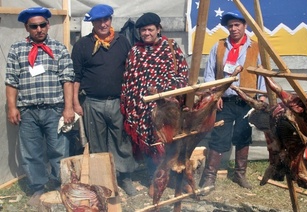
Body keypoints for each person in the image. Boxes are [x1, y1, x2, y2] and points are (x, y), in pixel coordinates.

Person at [5, 7, 75, 206]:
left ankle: (61, 187)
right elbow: (11, 81)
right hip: (27, 111)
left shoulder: (59, 48)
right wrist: (12, 107)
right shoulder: (17, 49)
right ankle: (37, 188)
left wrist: (68, 107)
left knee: (59, 151)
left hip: (54, 109)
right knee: (31, 152)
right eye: (33, 26)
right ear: (27, 28)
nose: (39, 29)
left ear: (48, 25)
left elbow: (67, 79)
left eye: (42, 25)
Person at [71, 4, 138, 196]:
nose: (103, 23)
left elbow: (131, 71)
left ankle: (125, 178)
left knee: (121, 141)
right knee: (97, 143)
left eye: (106, 19)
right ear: (92, 23)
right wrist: (76, 103)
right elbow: (75, 76)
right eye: (98, 20)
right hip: (92, 102)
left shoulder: (122, 42)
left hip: (118, 101)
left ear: (111, 20)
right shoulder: (82, 45)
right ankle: (103, 183)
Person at [199, 10, 267, 192]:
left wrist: (261, 96)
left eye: (237, 25)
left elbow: (261, 73)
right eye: (230, 26)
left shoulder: (255, 47)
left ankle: (239, 174)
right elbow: (210, 74)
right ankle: (210, 177)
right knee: (218, 136)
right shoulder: (219, 46)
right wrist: (215, 96)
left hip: (246, 102)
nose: (234, 29)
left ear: (245, 26)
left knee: (243, 136)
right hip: (225, 100)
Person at [120, 12, 189, 188]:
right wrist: (134, 103)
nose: (147, 34)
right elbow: (129, 80)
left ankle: (174, 178)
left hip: (168, 108)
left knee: (172, 142)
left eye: (150, 30)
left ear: (158, 29)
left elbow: (183, 75)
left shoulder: (171, 48)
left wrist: (165, 92)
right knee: (151, 144)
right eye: (143, 31)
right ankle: (155, 178)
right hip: (143, 110)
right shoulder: (135, 51)